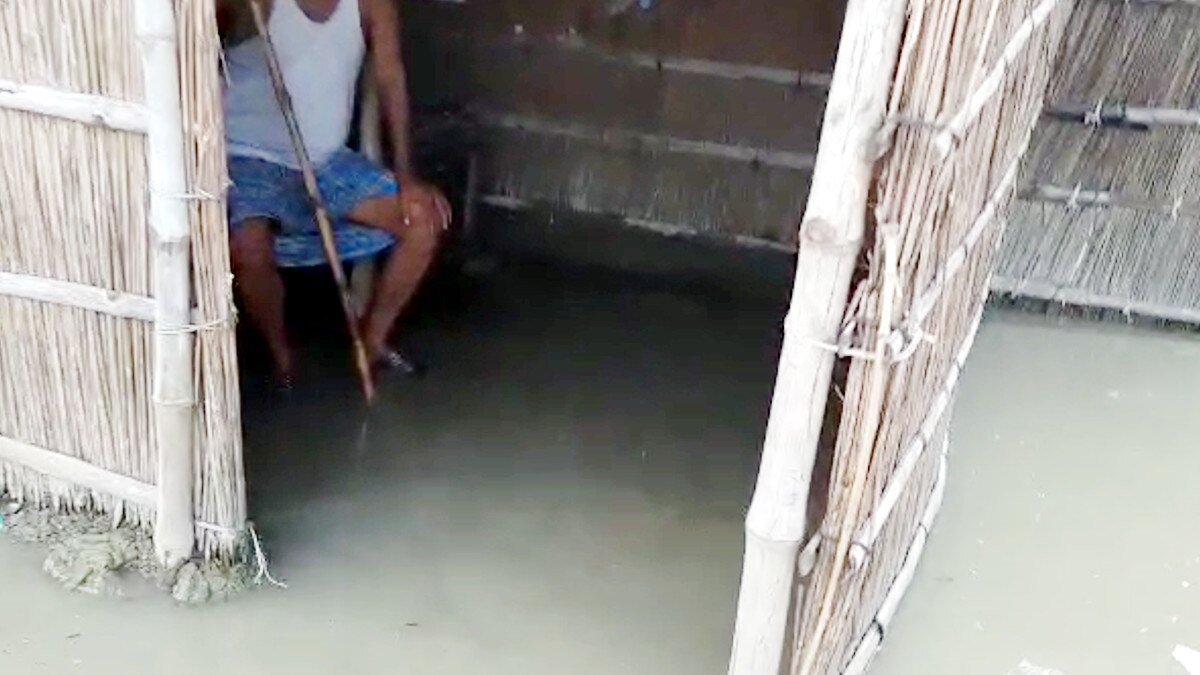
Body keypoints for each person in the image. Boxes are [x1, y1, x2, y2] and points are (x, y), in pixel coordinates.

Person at [217, 0, 450, 387]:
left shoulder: (372, 4)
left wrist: (407, 176)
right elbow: (205, 49)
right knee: (250, 246)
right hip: (250, 157)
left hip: (326, 162)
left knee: (423, 220)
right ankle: (282, 360)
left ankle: (372, 341)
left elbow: (391, 76)